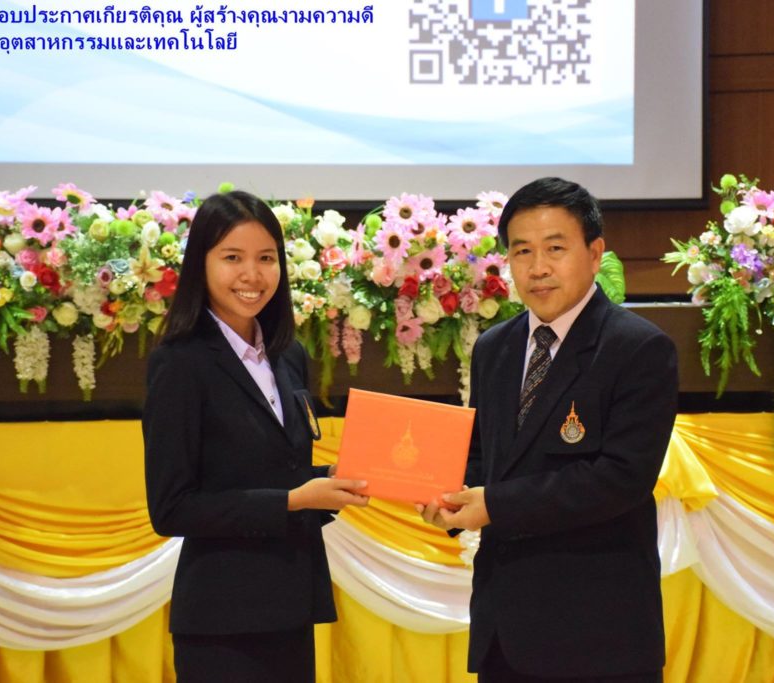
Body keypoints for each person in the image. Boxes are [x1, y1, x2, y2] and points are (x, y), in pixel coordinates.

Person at [419, 177, 678, 682]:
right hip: (504, 632)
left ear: (595, 253)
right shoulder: (494, 347)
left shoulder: (638, 349)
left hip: (598, 635)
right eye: (522, 251)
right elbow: (484, 457)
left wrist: (494, 505)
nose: (537, 268)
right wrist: (445, 496)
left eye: (555, 249)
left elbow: (620, 479)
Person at [142, 190, 369, 682]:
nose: (253, 274)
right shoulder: (180, 363)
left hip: (291, 606)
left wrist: (329, 480)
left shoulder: (288, 355)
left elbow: (277, 470)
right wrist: (293, 500)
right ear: (200, 264)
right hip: (222, 620)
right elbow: (172, 508)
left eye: (266, 258)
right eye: (232, 258)